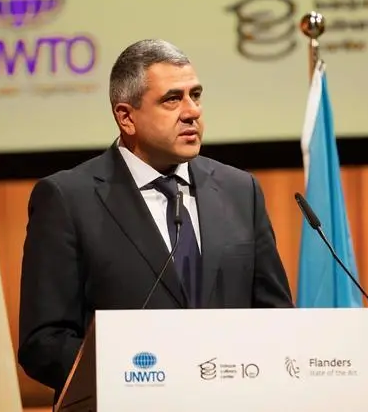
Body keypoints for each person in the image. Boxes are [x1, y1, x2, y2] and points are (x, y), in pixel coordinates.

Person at [17, 39, 293, 400]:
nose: (192, 112)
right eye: (172, 99)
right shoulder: (67, 199)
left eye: (196, 95)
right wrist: (143, 374)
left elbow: (276, 316)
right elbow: (44, 342)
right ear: (126, 117)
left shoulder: (240, 190)